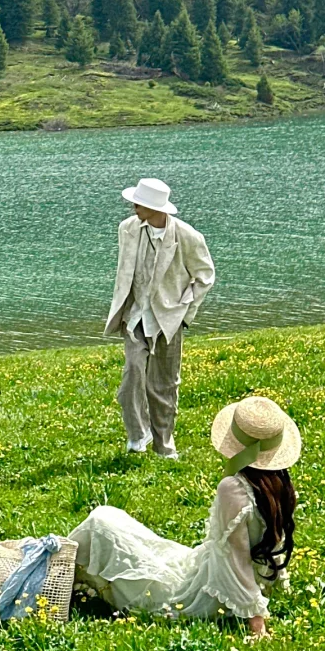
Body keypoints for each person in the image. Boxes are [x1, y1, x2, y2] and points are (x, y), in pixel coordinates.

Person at [0, 397, 300, 638]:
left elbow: (236, 562)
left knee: (100, 522)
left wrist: (257, 622)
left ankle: (13, 590)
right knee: (109, 521)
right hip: (201, 570)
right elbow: (271, 547)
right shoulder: (281, 487)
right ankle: (36, 579)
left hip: (196, 595)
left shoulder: (234, 489)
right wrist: (274, 584)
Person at [105, 177, 215, 459]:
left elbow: (205, 276)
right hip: (135, 316)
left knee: (164, 385)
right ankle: (138, 435)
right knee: (132, 375)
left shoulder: (187, 236)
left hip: (169, 318)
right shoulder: (127, 228)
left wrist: (185, 311)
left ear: (155, 208)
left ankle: (163, 445)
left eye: (139, 203)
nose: (133, 207)